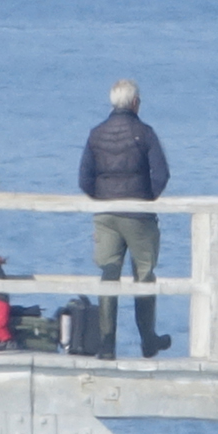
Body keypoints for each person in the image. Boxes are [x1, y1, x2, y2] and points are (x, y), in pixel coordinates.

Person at [78, 78, 172, 359]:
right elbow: (162, 174)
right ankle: (147, 339)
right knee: (144, 275)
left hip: (106, 215)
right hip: (139, 216)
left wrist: (103, 199)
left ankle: (107, 344)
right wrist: (146, 199)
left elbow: (84, 178)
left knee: (109, 275)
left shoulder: (96, 134)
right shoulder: (145, 133)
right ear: (135, 103)